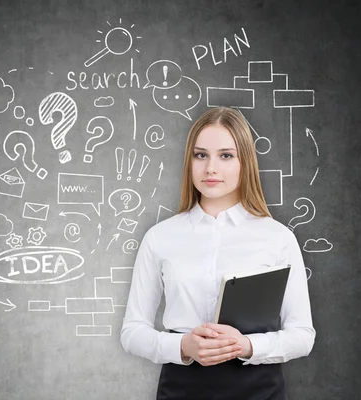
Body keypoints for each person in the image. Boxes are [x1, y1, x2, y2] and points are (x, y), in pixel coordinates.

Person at [120, 107, 315, 400]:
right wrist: (183, 346)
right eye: (201, 155)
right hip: (182, 388)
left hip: (259, 389)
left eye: (226, 155)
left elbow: (302, 336)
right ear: (190, 161)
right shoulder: (160, 237)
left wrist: (245, 346)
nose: (211, 168)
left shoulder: (278, 238)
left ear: (244, 162)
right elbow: (132, 332)